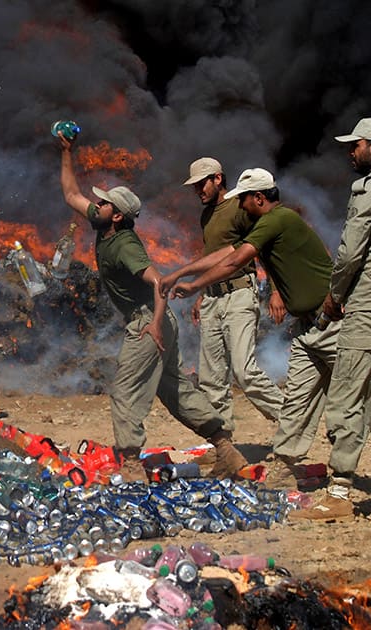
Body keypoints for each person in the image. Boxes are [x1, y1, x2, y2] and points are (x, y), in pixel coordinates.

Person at [58, 134, 248, 480]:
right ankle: (226, 450)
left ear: (116, 216)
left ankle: (130, 462)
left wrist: (156, 325)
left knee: (125, 389)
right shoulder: (105, 227)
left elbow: (159, 282)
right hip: (158, 323)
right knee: (175, 391)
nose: (95, 206)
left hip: (149, 322)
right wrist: (67, 151)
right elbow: (71, 193)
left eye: (102, 204)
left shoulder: (125, 245)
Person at [163, 168, 338, 489]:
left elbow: (239, 258)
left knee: (248, 372)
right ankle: (233, 450)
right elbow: (226, 253)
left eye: (244, 199)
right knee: (216, 378)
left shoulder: (269, 217)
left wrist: (192, 282)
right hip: (280, 316)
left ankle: (368, 468)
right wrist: (193, 282)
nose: (241, 205)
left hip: (311, 315)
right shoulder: (226, 217)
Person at [292, 117, 371, 521]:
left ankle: (339, 492)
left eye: (355, 145)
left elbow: (350, 253)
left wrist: (335, 296)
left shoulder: (369, 189)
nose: (350, 152)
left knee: (348, 393)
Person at [180, 158, 284, 429]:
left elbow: (262, 249)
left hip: (239, 294)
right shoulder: (206, 215)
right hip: (213, 299)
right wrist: (203, 293)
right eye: (195, 186)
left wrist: (275, 291)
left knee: (244, 371)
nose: (198, 191)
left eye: (202, 184)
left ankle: (291, 422)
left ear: (217, 179)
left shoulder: (240, 207)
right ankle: (223, 445)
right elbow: (213, 257)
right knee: (211, 378)